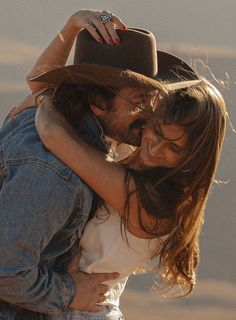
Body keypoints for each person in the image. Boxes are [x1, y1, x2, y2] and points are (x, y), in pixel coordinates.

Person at [0, 9, 200, 320]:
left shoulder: (49, 116)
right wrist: (69, 293)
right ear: (97, 102)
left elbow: (40, 87)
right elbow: (4, 270)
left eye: (152, 98)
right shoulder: (55, 171)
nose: (150, 114)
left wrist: (71, 27)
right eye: (137, 101)